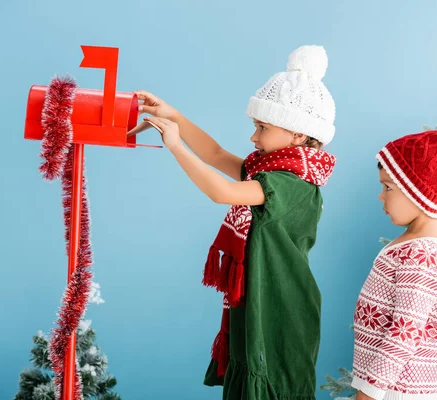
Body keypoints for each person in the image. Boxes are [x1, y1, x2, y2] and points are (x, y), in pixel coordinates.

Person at [128, 45, 337, 399]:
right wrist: (172, 114)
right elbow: (215, 154)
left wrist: (176, 146)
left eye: (262, 127)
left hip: (279, 305)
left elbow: (222, 192)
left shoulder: (290, 183)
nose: (253, 137)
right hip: (258, 294)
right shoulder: (269, 169)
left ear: (298, 134)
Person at [351, 121, 437, 400]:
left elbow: (405, 331)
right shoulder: (412, 245)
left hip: (400, 390)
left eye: (388, 187)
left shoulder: (420, 256)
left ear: (418, 192)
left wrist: (369, 393)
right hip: (390, 387)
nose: (380, 196)